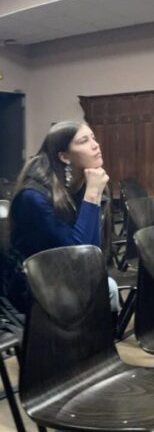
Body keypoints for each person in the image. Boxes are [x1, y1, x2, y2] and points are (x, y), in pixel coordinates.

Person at [7, 121, 121, 313]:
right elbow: (77, 257)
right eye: (84, 141)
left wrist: (93, 193)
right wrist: (92, 195)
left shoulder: (87, 186)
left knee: (108, 289)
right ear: (64, 157)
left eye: (93, 138)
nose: (95, 145)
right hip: (35, 287)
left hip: (71, 279)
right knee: (108, 289)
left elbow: (94, 254)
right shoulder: (33, 197)